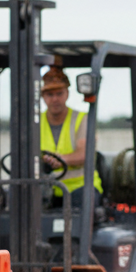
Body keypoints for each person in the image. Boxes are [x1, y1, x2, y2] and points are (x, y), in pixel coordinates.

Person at [40, 66, 102, 206]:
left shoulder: (81, 120)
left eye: (59, 93)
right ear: (42, 96)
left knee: (79, 203)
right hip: (47, 189)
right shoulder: (35, 123)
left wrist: (61, 160)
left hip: (81, 188)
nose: (55, 99)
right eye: (50, 95)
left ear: (67, 93)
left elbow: (84, 153)